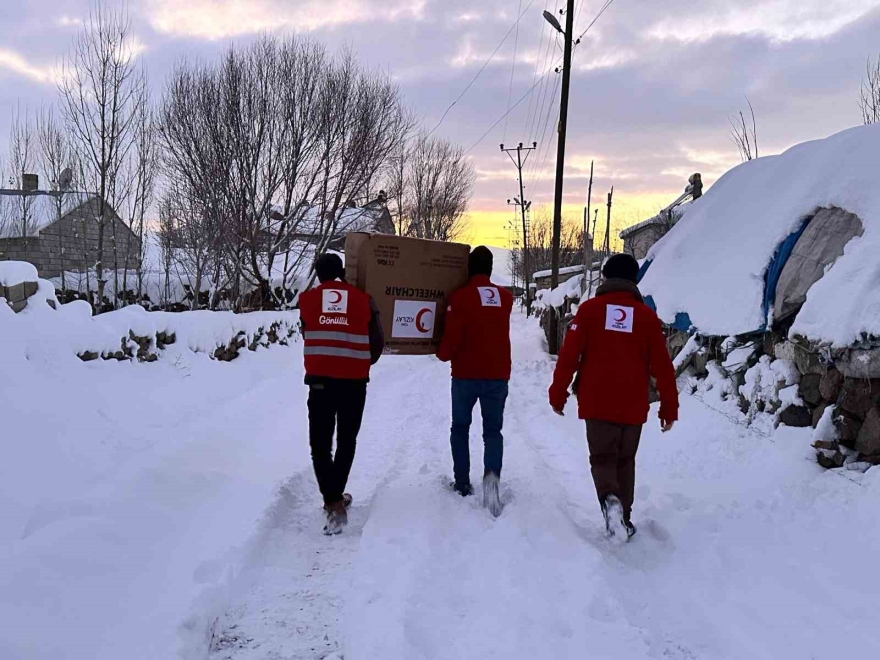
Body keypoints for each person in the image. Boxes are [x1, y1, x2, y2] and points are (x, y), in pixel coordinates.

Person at [548, 253, 678, 540]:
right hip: (633, 403)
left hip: (596, 401)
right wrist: (669, 407)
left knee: (603, 458)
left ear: (605, 278)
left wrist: (558, 393)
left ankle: (610, 501)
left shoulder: (590, 311)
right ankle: (625, 518)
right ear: (634, 280)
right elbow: (663, 366)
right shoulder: (646, 317)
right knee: (625, 460)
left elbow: (569, 356)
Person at [298, 254, 384, 535]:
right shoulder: (363, 299)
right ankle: (335, 499)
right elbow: (377, 342)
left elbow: (308, 333)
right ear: (342, 272)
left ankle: (333, 500)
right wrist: (359, 360)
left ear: (319, 274)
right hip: (354, 384)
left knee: (320, 445)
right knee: (347, 439)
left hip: (320, 384)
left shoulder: (308, 300)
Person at [438, 246, 514, 517]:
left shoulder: (460, 298)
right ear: (491, 268)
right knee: (493, 432)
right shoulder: (505, 297)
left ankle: (462, 483)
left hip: (465, 376)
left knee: (460, 427)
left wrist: (441, 353)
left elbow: (453, 338)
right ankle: (491, 480)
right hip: (497, 376)